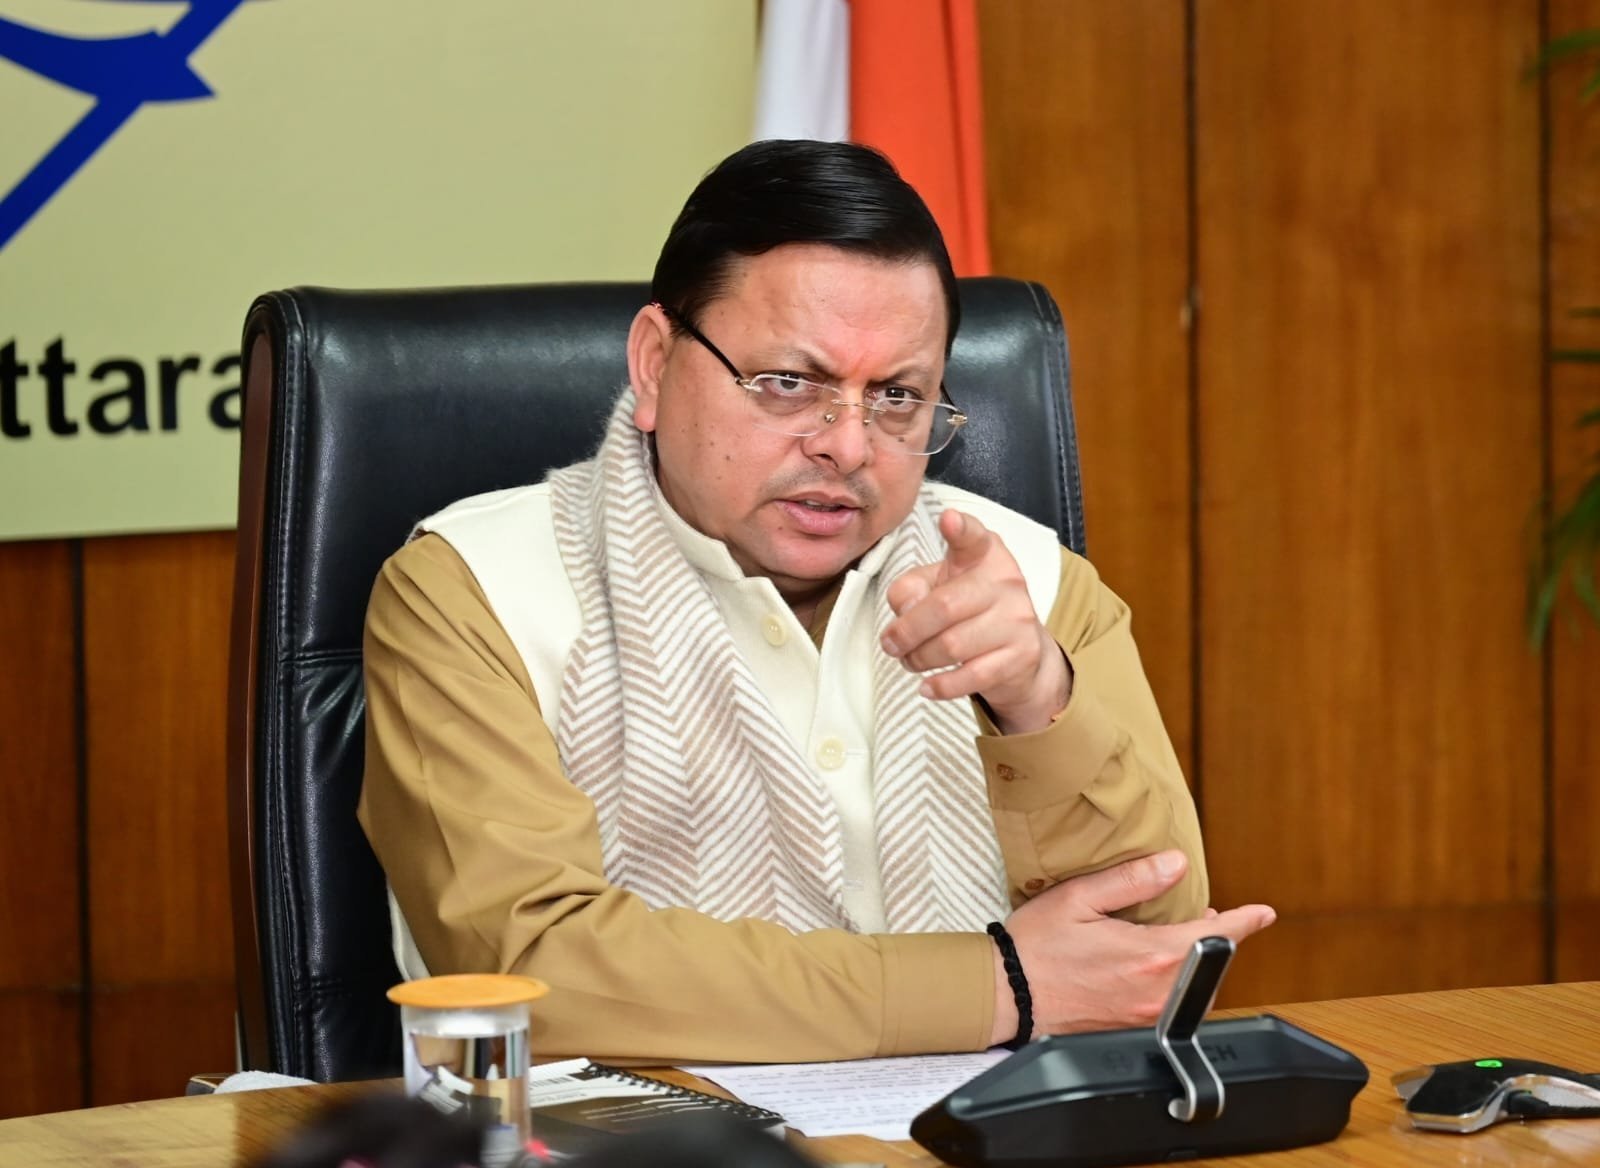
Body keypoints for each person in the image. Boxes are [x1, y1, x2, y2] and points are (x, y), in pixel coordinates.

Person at [357, 139, 1275, 1064]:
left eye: (898, 396)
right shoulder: (472, 592)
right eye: (789, 384)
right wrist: (1000, 985)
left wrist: (1037, 698)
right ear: (655, 363)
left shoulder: (1030, 585)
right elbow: (527, 969)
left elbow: (1160, 946)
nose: (849, 446)